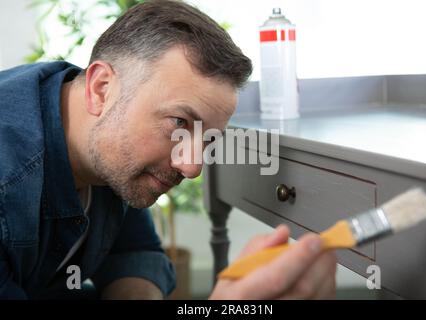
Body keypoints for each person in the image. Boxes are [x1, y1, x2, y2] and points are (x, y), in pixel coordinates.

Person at [0, 0, 336, 299]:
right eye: (178, 123)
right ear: (101, 89)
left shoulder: (103, 141)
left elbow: (135, 253)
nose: (193, 168)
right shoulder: (8, 177)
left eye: (208, 139)